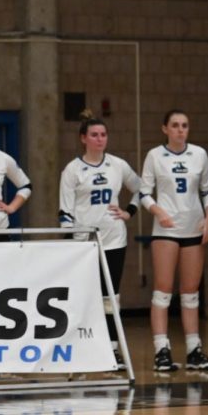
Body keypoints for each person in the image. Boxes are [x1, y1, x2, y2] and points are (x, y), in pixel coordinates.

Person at [58, 117, 141, 370]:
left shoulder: (118, 165)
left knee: (110, 297)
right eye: (94, 134)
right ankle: (82, 347)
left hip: (114, 239)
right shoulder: (72, 170)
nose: (99, 139)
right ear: (83, 138)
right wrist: (72, 243)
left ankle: (113, 349)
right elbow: (65, 212)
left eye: (103, 134)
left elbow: (141, 188)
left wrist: (129, 211)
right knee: (84, 295)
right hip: (85, 243)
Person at [140, 109, 208, 372]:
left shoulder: (199, 154)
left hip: (193, 228)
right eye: (175, 125)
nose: (180, 130)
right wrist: (159, 212)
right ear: (165, 129)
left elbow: (207, 190)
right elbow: (143, 194)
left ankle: (194, 350)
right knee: (162, 290)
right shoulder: (154, 155)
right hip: (166, 231)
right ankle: (162, 350)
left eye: (184, 125)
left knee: (190, 292)